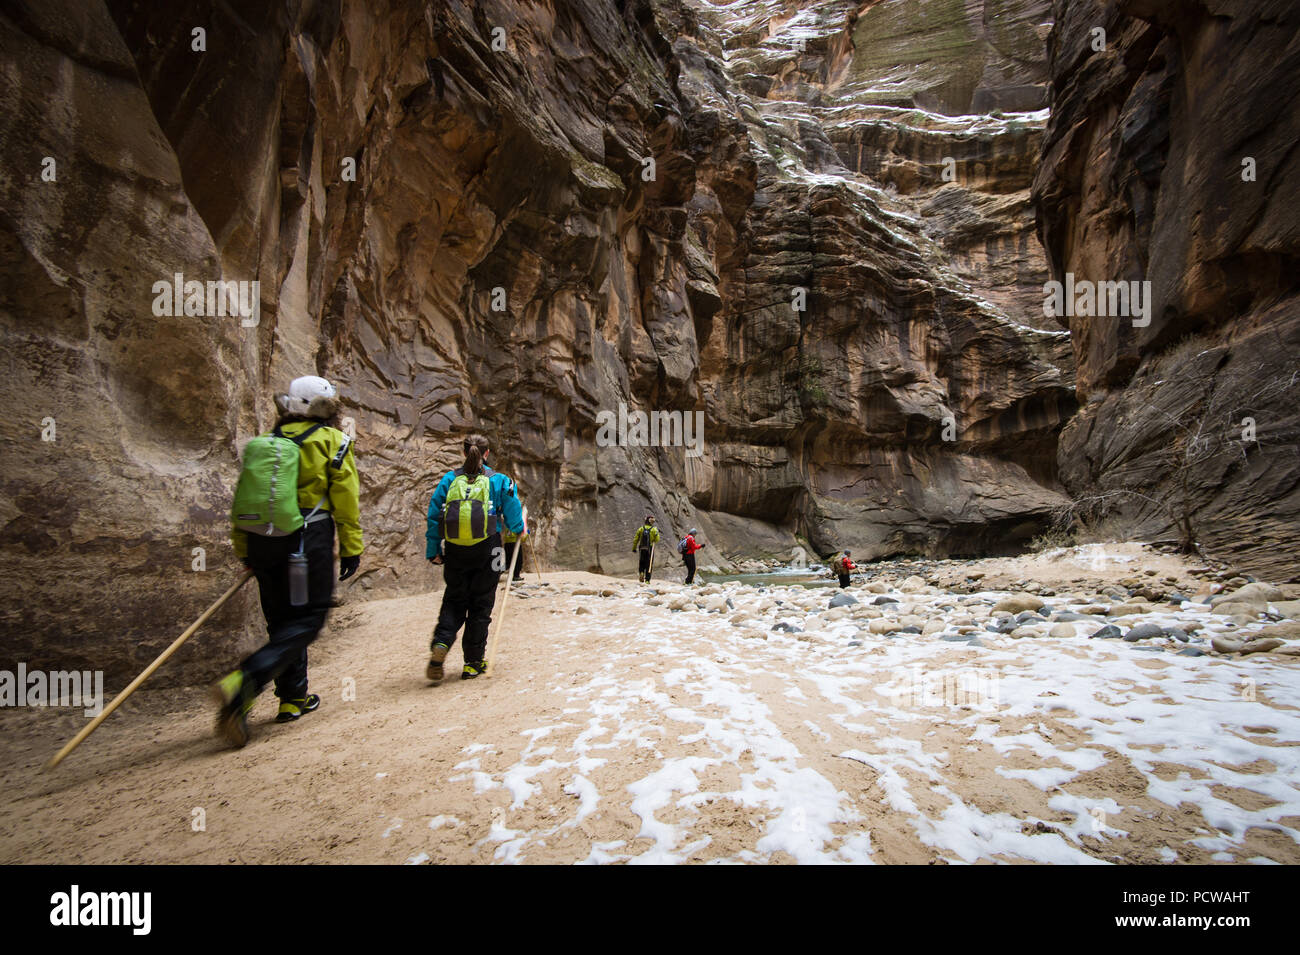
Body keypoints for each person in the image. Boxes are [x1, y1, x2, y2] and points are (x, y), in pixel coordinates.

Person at [213, 376, 363, 747]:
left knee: (282, 620)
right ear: (326, 408)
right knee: (308, 619)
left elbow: (243, 501)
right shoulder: (334, 442)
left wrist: (245, 550)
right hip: (305, 543)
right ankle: (245, 678)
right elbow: (345, 500)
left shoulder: (268, 444)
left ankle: (293, 698)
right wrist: (351, 546)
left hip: (264, 542)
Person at [425, 434, 526, 682]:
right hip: (489, 549)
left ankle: (442, 641)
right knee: (481, 605)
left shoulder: (450, 479)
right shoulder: (499, 480)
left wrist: (433, 550)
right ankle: (473, 662)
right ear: (487, 453)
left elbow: (434, 515)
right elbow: (513, 512)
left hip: (456, 549)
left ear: (464, 452)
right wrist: (520, 528)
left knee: (454, 599)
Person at [632, 515, 660, 582]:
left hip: (642, 547)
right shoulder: (654, 529)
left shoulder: (641, 529)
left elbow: (636, 539)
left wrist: (634, 548)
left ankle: (641, 573)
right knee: (649, 563)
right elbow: (657, 540)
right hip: (650, 548)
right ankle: (647, 580)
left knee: (641, 562)